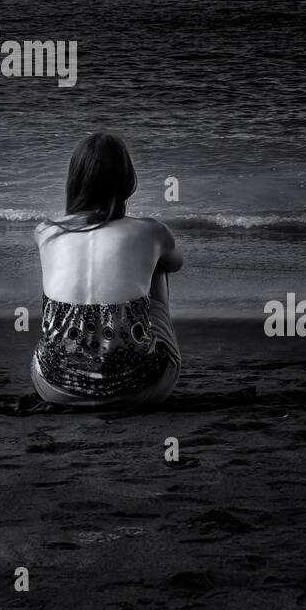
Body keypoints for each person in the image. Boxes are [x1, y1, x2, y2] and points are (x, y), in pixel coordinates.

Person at [31, 131, 182, 409]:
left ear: (74, 181)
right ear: (126, 181)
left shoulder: (46, 231)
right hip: (142, 387)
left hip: (56, 386)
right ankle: (137, 354)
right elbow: (176, 263)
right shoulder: (152, 231)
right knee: (158, 265)